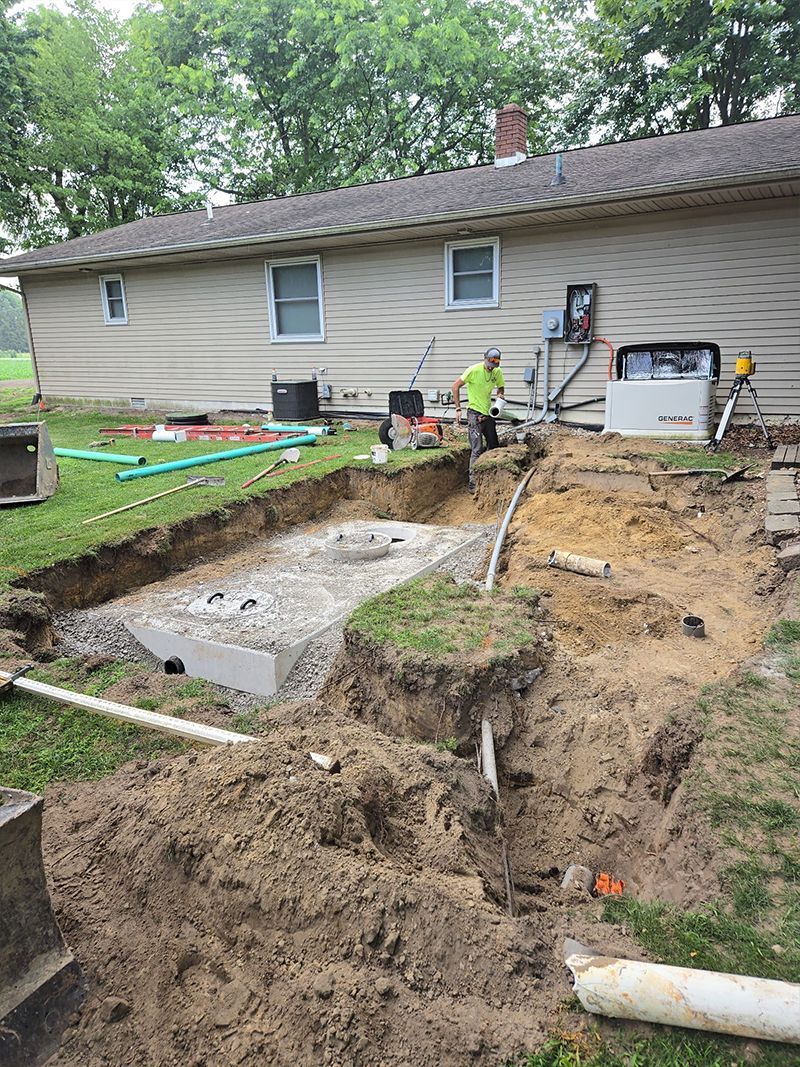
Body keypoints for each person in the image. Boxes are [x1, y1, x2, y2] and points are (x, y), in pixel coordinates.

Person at [452, 347, 505, 492]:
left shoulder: (497, 372)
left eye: (493, 366)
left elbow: (501, 388)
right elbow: (455, 386)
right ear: (485, 359)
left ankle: (492, 477)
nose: (490, 368)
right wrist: (458, 409)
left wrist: (499, 395)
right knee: (477, 448)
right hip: (473, 414)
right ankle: (473, 482)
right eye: (489, 365)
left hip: (488, 414)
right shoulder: (473, 370)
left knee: (494, 445)